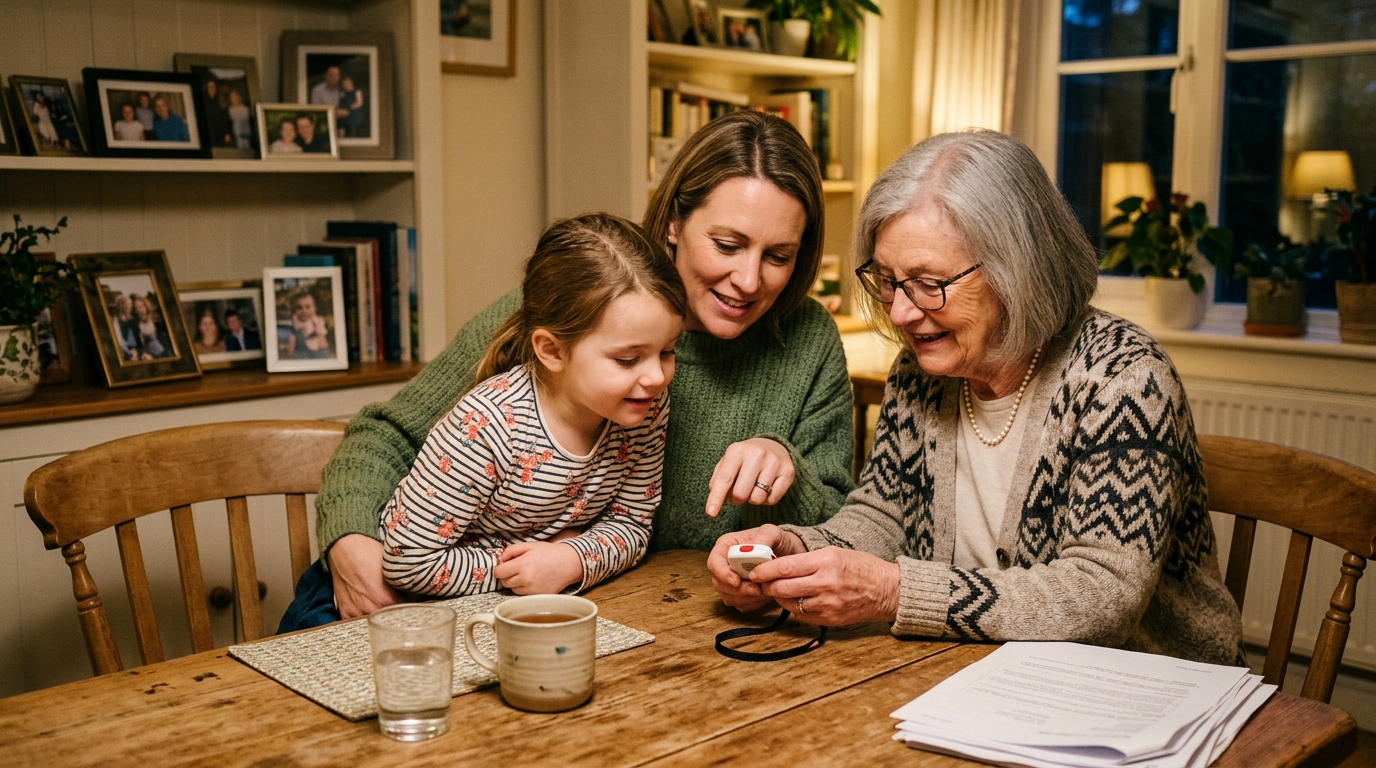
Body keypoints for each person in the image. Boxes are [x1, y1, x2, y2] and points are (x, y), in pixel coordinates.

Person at [279, 110, 853, 630]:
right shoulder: (574, 311)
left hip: (647, 621)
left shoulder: (807, 341)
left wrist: (788, 467)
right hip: (434, 601)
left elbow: (841, 526)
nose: (750, 280)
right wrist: (351, 547)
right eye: (727, 245)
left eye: (778, 256)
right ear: (675, 222)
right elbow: (386, 435)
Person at [707, 130, 1245, 666]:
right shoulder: (920, 373)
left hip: (1149, 688)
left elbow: (1101, 598)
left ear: (1017, 269)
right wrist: (799, 551)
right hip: (987, 675)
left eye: (927, 282)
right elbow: (883, 515)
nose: (899, 313)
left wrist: (897, 592)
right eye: (888, 281)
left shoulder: (1124, 380)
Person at [382, 213, 686, 599]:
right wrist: (530, 567)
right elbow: (408, 562)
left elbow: (632, 524)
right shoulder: (487, 425)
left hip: (518, 613)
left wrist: (570, 560)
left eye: (667, 351)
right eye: (628, 359)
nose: (657, 377)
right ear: (552, 350)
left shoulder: (646, 406)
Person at [281, 289, 332, 359]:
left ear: (314, 308)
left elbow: (324, 345)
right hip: (298, 357)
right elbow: (289, 347)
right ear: (294, 310)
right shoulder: (293, 325)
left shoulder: (317, 323)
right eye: (299, 308)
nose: (304, 311)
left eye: (308, 307)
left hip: (316, 356)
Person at [131, 294, 172, 359]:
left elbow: (166, 338)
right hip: (147, 355)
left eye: (141, 307)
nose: (139, 310)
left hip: (164, 352)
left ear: (146, 307)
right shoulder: (134, 326)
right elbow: (136, 345)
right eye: (136, 308)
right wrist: (143, 354)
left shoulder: (157, 321)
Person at [202, 79, 232, 147]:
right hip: (208, 135)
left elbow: (226, 119)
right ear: (206, 89)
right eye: (210, 87)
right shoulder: (202, 102)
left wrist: (227, 133)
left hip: (221, 135)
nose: (212, 89)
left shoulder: (222, 101)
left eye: (214, 87)